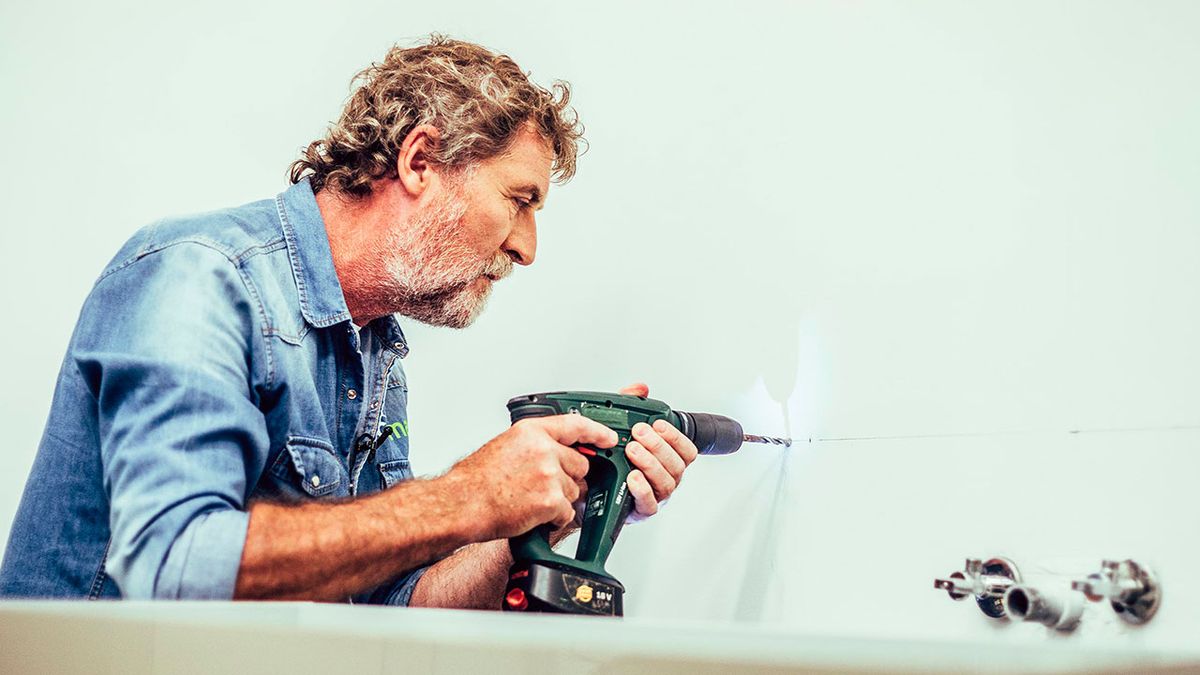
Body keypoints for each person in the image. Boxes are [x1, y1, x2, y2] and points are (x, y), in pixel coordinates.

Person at [0, 36, 697, 607]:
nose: (527, 247)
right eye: (520, 199)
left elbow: (393, 604)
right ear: (420, 160)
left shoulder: (374, 352)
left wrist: (539, 511)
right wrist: (467, 496)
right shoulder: (200, 277)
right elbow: (177, 564)